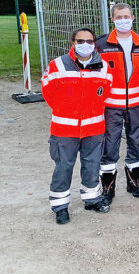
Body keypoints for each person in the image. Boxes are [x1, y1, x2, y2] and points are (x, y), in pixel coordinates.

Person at [41, 28, 113, 224]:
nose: (85, 45)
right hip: (65, 129)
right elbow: (48, 92)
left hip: (94, 128)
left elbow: (105, 93)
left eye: (90, 41)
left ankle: (92, 199)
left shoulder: (103, 67)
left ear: (94, 44)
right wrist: (66, 109)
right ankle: (60, 206)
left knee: (92, 165)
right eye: (80, 41)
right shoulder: (57, 65)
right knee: (63, 167)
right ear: (72, 43)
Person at [96, 3, 139, 203]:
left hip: (137, 104)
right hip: (111, 105)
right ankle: (108, 188)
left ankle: (134, 182)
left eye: (126, 16)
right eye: (119, 17)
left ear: (133, 17)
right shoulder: (101, 44)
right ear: (113, 19)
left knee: (136, 142)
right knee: (110, 144)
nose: (123, 20)